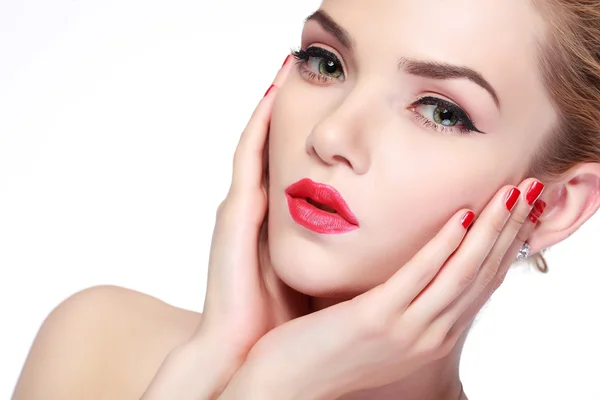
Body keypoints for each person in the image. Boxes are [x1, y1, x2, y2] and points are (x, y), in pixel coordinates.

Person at [12, 0, 600, 399]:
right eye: (326, 62)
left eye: (442, 112)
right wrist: (224, 370)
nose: (330, 135)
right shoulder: (98, 341)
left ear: (557, 205)